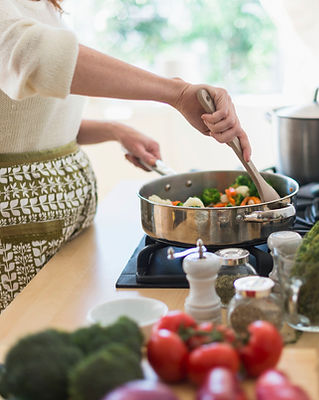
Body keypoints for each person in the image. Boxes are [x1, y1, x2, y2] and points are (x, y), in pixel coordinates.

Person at [0, 0, 252, 313]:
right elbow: (38, 56)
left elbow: (23, 124)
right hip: (16, 238)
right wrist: (178, 92)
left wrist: (114, 130)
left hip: (66, 228)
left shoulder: (40, 6)